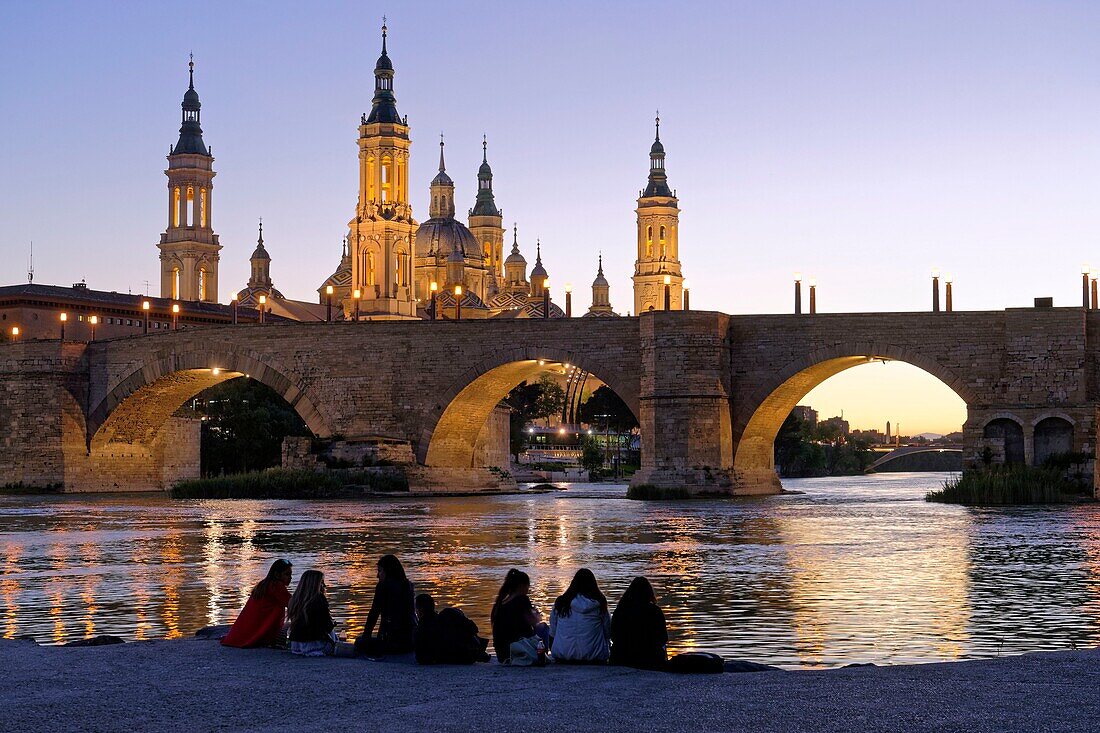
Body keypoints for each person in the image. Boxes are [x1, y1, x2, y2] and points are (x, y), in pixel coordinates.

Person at [221, 559, 293, 648]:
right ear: (277, 575)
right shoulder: (276, 586)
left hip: (250, 629)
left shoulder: (263, 584)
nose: (290, 578)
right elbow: (292, 604)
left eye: (291, 574)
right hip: (262, 630)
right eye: (287, 574)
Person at [355, 554, 416, 657]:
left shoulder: (383, 586)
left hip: (391, 641)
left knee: (359, 643)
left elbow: (374, 613)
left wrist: (366, 635)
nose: (377, 576)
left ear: (387, 571)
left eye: (379, 571)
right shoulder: (408, 585)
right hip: (410, 641)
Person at [549, 568, 611, 663]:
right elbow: (608, 631)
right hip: (594, 656)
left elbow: (553, 631)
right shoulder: (599, 604)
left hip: (563, 655)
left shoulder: (561, 603)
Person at [609, 576, 668, 670]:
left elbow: (613, 635)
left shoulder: (620, 610)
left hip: (622, 657)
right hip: (650, 659)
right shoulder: (655, 611)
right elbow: (663, 638)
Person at [413, 593, 490, 665]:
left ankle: (473, 651)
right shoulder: (445, 617)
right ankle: (475, 650)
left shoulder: (423, 628)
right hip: (468, 651)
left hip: (459, 655)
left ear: (420, 610)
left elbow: (422, 658)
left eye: (417, 609)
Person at [490, 568, 548, 663]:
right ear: (522, 586)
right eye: (527, 586)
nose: (528, 590)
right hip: (519, 650)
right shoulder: (522, 599)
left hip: (502, 654)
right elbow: (534, 622)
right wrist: (538, 616)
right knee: (543, 627)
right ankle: (543, 656)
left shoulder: (501, 603)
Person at [287, 570, 336, 656]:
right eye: (322, 583)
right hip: (312, 646)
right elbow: (325, 626)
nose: (324, 586)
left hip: (295, 646)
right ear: (315, 585)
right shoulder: (319, 599)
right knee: (334, 636)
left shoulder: (295, 599)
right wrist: (332, 625)